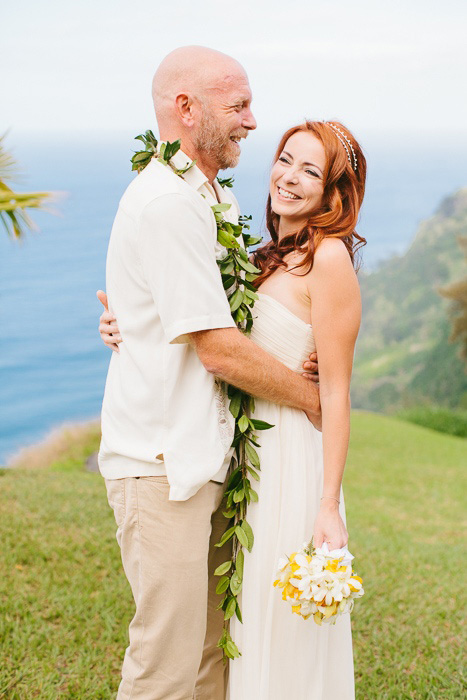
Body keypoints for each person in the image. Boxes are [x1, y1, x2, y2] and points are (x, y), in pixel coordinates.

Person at [101, 117, 366, 699]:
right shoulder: (261, 255)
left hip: (294, 459)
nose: (289, 178)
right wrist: (129, 322)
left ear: (334, 192)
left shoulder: (329, 261)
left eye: (310, 171)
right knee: (240, 621)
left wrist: (327, 505)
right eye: (285, 159)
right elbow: (203, 322)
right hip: (245, 460)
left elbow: (338, 393)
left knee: (282, 622)